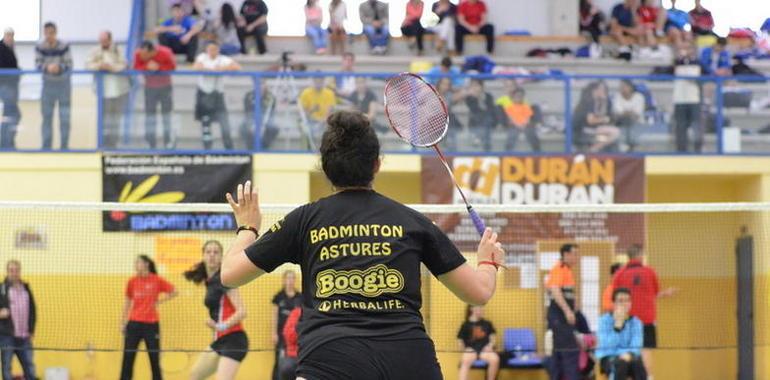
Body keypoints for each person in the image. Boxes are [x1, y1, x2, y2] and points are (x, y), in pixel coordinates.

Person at [220, 110, 504, 379]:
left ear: (325, 167)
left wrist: (248, 226)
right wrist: (488, 262)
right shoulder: (414, 222)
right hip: (407, 358)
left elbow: (230, 274)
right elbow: (478, 293)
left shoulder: (303, 221)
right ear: (377, 164)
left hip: (330, 357)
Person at [186, 241, 249, 380]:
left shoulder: (224, 279)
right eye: (208, 252)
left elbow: (242, 311)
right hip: (219, 340)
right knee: (195, 375)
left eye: (216, 252)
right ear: (203, 256)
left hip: (234, 339)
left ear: (221, 257)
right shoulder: (209, 280)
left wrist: (221, 326)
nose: (212, 255)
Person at [612, 245, 676, 379]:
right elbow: (655, 293)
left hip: (626, 319)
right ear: (640, 255)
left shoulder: (619, 274)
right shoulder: (650, 272)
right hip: (647, 319)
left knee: (627, 350)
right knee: (646, 349)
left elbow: (616, 298)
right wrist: (667, 293)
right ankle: (648, 377)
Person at [120, 255, 177, 380]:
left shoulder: (156, 280)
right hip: (133, 324)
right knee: (128, 358)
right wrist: (123, 322)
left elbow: (174, 291)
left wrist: (159, 301)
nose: (135, 265)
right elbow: (127, 302)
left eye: (138, 262)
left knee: (154, 358)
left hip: (151, 326)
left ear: (146, 264)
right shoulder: (132, 281)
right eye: (135, 263)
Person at [193, 41, 240, 150]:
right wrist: (212, 70)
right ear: (206, 50)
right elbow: (196, 67)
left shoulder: (223, 59)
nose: (212, 51)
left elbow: (237, 67)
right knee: (205, 125)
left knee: (225, 123)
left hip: (218, 95)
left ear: (218, 50)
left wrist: (221, 69)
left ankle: (229, 149)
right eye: (210, 49)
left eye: (215, 49)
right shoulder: (202, 57)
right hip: (204, 94)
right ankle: (207, 149)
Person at [86, 30, 130, 149]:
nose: (103, 43)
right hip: (102, 91)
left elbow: (124, 65)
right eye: (101, 41)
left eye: (105, 41)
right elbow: (88, 64)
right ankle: (103, 143)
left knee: (115, 118)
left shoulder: (118, 50)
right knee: (103, 118)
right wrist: (100, 66)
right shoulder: (95, 51)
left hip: (118, 91)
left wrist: (111, 68)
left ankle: (113, 143)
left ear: (110, 40)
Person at [596, 288, 647, 380]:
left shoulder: (636, 322)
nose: (624, 303)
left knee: (638, 364)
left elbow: (637, 343)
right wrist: (617, 326)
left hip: (629, 356)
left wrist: (629, 354)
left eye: (627, 300)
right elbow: (607, 345)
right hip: (609, 356)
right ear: (614, 304)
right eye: (620, 301)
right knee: (620, 365)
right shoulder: (604, 321)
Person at [36, 22, 72, 150]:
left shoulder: (64, 45)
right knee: (46, 118)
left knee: (65, 118)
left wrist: (59, 68)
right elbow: (38, 64)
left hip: (63, 86)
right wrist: (48, 67)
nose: (48, 36)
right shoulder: (40, 46)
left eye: (51, 33)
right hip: (48, 86)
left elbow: (69, 64)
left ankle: (64, 147)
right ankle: (46, 148)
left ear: (55, 33)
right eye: (46, 33)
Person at [134, 41, 176, 149]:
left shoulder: (166, 52)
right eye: (141, 54)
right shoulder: (138, 54)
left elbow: (172, 67)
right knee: (149, 115)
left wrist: (159, 68)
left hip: (165, 88)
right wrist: (146, 67)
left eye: (145, 55)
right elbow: (136, 67)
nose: (142, 56)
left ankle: (168, 141)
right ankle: (150, 142)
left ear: (152, 51)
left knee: (166, 115)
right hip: (149, 88)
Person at [546, 243, 580, 380]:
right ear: (566, 255)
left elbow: (568, 293)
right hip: (559, 318)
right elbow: (555, 290)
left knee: (560, 352)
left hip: (563, 319)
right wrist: (567, 311)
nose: (578, 257)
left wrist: (575, 307)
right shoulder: (558, 268)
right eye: (575, 254)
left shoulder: (568, 270)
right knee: (569, 351)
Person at [0, 260, 37, 380]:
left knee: (29, 367)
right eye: (11, 270)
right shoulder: (2, 289)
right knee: (7, 368)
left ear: (20, 271)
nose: (14, 273)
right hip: (7, 337)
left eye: (16, 270)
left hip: (24, 337)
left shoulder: (26, 289)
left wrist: (31, 330)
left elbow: (32, 310)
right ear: (7, 272)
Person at [270, 270, 302, 380]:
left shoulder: (300, 297)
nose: (290, 281)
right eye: (288, 278)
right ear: (284, 280)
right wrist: (274, 333)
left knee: (294, 364)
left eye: (292, 278)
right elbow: (274, 316)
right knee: (279, 362)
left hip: (295, 337)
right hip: (281, 335)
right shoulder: (278, 297)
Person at [572, 81, 620, 152]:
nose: (602, 91)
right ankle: (593, 149)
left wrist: (604, 103)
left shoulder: (603, 102)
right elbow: (591, 121)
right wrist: (604, 119)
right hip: (584, 131)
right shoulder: (588, 101)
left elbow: (610, 118)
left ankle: (595, 150)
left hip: (596, 131)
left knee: (614, 137)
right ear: (593, 90)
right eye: (599, 89)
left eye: (604, 89)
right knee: (615, 132)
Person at [671, 45, 703, 153]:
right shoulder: (677, 63)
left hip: (694, 99)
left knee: (696, 125)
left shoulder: (698, 63)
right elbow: (670, 70)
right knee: (680, 126)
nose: (686, 51)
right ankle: (681, 150)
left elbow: (705, 77)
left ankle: (698, 149)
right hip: (679, 99)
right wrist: (680, 59)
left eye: (689, 48)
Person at [495, 82, 542, 152]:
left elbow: (528, 117)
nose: (518, 98)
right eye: (516, 96)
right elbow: (510, 117)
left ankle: (537, 153)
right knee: (511, 136)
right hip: (514, 125)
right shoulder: (509, 107)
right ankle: (507, 154)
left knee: (532, 134)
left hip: (525, 125)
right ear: (513, 97)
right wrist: (517, 125)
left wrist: (524, 124)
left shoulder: (525, 106)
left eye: (520, 97)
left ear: (523, 97)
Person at [457, 305, 499, 380]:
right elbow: (460, 340)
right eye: (479, 307)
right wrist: (465, 349)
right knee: (464, 361)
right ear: (472, 309)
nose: (481, 310)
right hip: (471, 350)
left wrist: (490, 346)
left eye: (482, 308)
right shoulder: (465, 325)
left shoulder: (487, 323)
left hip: (484, 350)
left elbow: (493, 337)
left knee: (495, 359)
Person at [463, 79, 497, 151]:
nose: (474, 88)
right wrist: (476, 97)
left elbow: (490, 109)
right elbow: (473, 109)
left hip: (488, 120)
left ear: (481, 86)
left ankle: (479, 139)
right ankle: (481, 140)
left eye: (476, 85)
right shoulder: (469, 98)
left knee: (487, 118)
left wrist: (481, 98)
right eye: (472, 86)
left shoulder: (488, 96)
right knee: (479, 116)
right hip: (475, 121)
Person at [612, 79, 646, 152]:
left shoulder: (639, 97)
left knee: (630, 121)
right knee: (625, 121)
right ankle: (626, 146)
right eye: (620, 87)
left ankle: (630, 145)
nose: (621, 89)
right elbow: (618, 113)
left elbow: (637, 114)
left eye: (624, 87)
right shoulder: (617, 96)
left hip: (637, 123)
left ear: (630, 87)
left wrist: (626, 112)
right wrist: (630, 112)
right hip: (621, 122)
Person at [0, 28, 20, 150]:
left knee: (11, 114)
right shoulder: (1, 48)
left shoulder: (11, 48)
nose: (10, 37)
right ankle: (6, 144)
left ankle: (7, 143)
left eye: (12, 35)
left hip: (10, 85)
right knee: (12, 114)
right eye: (8, 35)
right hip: (4, 85)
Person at [280, 305, 302, 380]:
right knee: (287, 368)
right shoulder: (296, 313)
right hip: (294, 355)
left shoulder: (321, 314)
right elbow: (289, 335)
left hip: (313, 355)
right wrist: (302, 328)